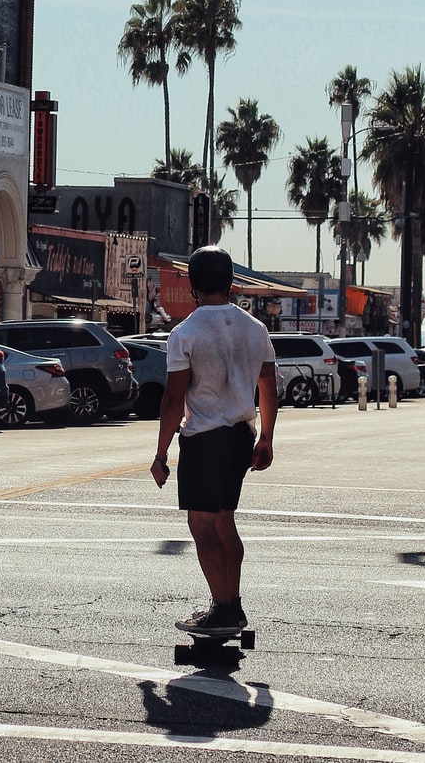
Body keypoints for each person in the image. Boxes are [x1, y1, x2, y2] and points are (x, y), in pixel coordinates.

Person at [150, 244, 278, 637]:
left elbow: (174, 398)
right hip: (242, 435)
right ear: (232, 283)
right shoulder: (255, 329)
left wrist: (160, 453)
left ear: (192, 284)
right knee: (225, 520)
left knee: (202, 526)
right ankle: (231, 605)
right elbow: (269, 387)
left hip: (204, 438)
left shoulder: (184, 332)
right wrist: (267, 438)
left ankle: (223, 608)